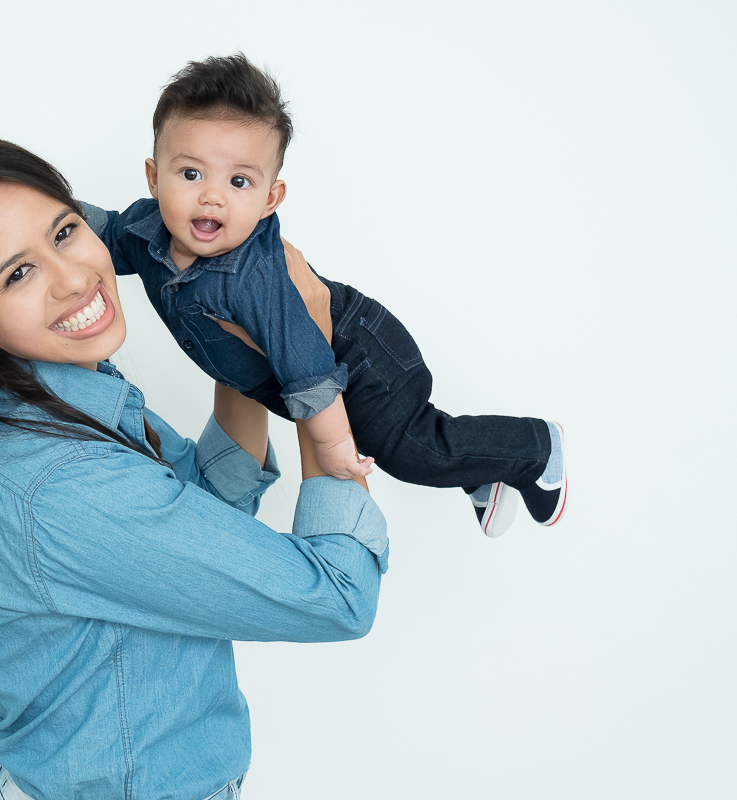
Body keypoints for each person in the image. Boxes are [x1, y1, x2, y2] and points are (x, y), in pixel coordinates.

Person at [0, 135, 390, 800]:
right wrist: (307, 355)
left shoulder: (48, 399)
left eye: (65, 231)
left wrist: (246, 333)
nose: (74, 278)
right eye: (18, 274)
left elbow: (203, 507)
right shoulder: (64, 487)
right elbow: (337, 598)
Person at [82, 54, 568, 538]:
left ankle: (536, 448)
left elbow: (307, 364)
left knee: (410, 449)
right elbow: (94, 231)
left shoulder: (252, 277)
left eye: (239, 181)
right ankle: (482, 472)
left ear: (270, 199)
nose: (213, 196)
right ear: (154, 178)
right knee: (416, 445)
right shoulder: (144, 231)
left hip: (357, 352)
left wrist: (333, 447)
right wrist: (43, 202)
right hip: (317, 369)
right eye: (191, 174)